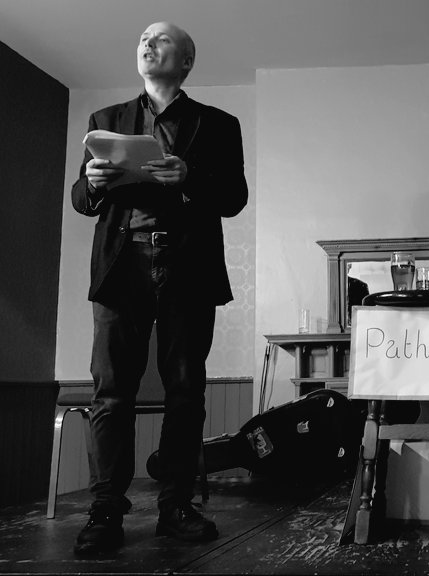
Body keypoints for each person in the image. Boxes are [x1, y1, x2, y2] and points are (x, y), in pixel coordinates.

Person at [70, 22, 248, 554]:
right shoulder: (105, 121)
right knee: (111, 391)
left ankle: (176, 506)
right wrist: (92, 184)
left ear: (186, 61)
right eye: (143, 38)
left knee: (186, 391)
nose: (147, 44)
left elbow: (234, 196)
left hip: (187, 264)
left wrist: (188, 177)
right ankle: (105, 510)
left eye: (161, 39)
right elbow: (81, 200)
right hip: (121, 263)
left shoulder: (219, 124)